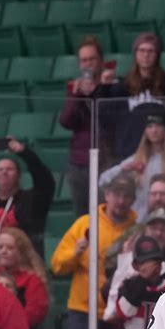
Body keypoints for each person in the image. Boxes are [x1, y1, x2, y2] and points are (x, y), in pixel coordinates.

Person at [50, 174, 137, 329]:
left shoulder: (136, 230)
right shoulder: (85, 224)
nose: (121, 200)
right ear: (107, 195)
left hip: (118, 314)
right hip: (83, 311)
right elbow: (57, 266)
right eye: (117, 194)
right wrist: (75, 252)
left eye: (127, 195)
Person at [99, 110, 165, 223]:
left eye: (158, 126)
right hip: (139, 225)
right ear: (145, 131)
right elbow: (103, 182)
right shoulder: (136, 160)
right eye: (150, 126)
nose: (154, 130)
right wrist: (122, 169)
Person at [104, 174, 165, 283]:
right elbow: (110, 264)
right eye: (154, 194)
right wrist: (128, 257)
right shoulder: (136, 230)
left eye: (163, 194)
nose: (158, 198)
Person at [0, 136, 55, 255]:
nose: (4, 172)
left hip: (23, 261)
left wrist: (24, 153)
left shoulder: (32, 200)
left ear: (18, 175)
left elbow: (45, 182)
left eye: (9, 169)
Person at [96, 32, 165, 163]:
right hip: (130, 153)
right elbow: (104, 116)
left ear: (157, 55)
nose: (146, 55)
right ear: (135, 54)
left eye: (151, 51)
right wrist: (104, 87)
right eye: (142, 50)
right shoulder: (123, 86)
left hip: (162, 152)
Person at [59, 35, 112, 218]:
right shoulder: (74, 88)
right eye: (83, 60)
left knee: (105, 214)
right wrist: (77, 96)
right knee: (83, 217)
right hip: (80, 161)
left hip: (106, 159)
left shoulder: (111, 86)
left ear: (101, 61)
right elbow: (66, 121)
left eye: (92, 59)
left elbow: (110, 119)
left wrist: (99, 91)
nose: (87, 64)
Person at [0, 227, 49, 329]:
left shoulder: (32, 280)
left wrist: (7, 326)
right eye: (0, 247)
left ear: (21, 252)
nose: (4, 251)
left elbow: (34, 314)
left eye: (10, 248)